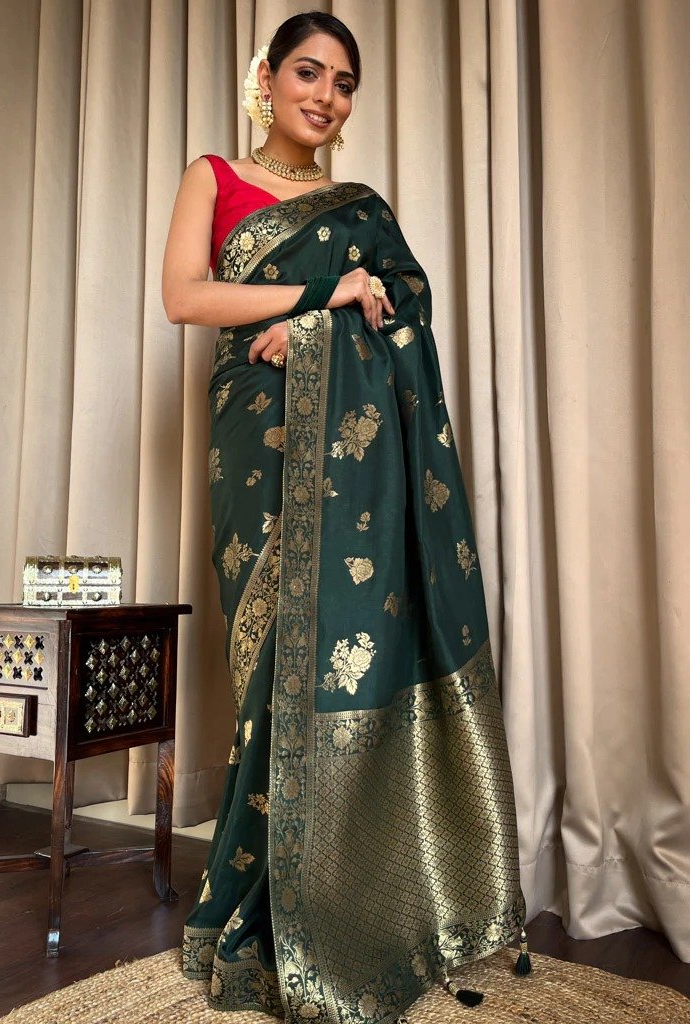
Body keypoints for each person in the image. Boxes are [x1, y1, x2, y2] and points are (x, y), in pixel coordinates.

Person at [161, 11, 532, 1023]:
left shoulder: (363, 209)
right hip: (257, 434)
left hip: (351, 459)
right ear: (268, 78)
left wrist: (332, 322)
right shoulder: (214, 177)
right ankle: (265, 909)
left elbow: (402, 307)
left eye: (343, 83)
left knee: (348, 648)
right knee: (273, 665)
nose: (324, 96)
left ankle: (360, 901)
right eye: (308, 73)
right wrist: (321, 297)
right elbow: (185, 299)